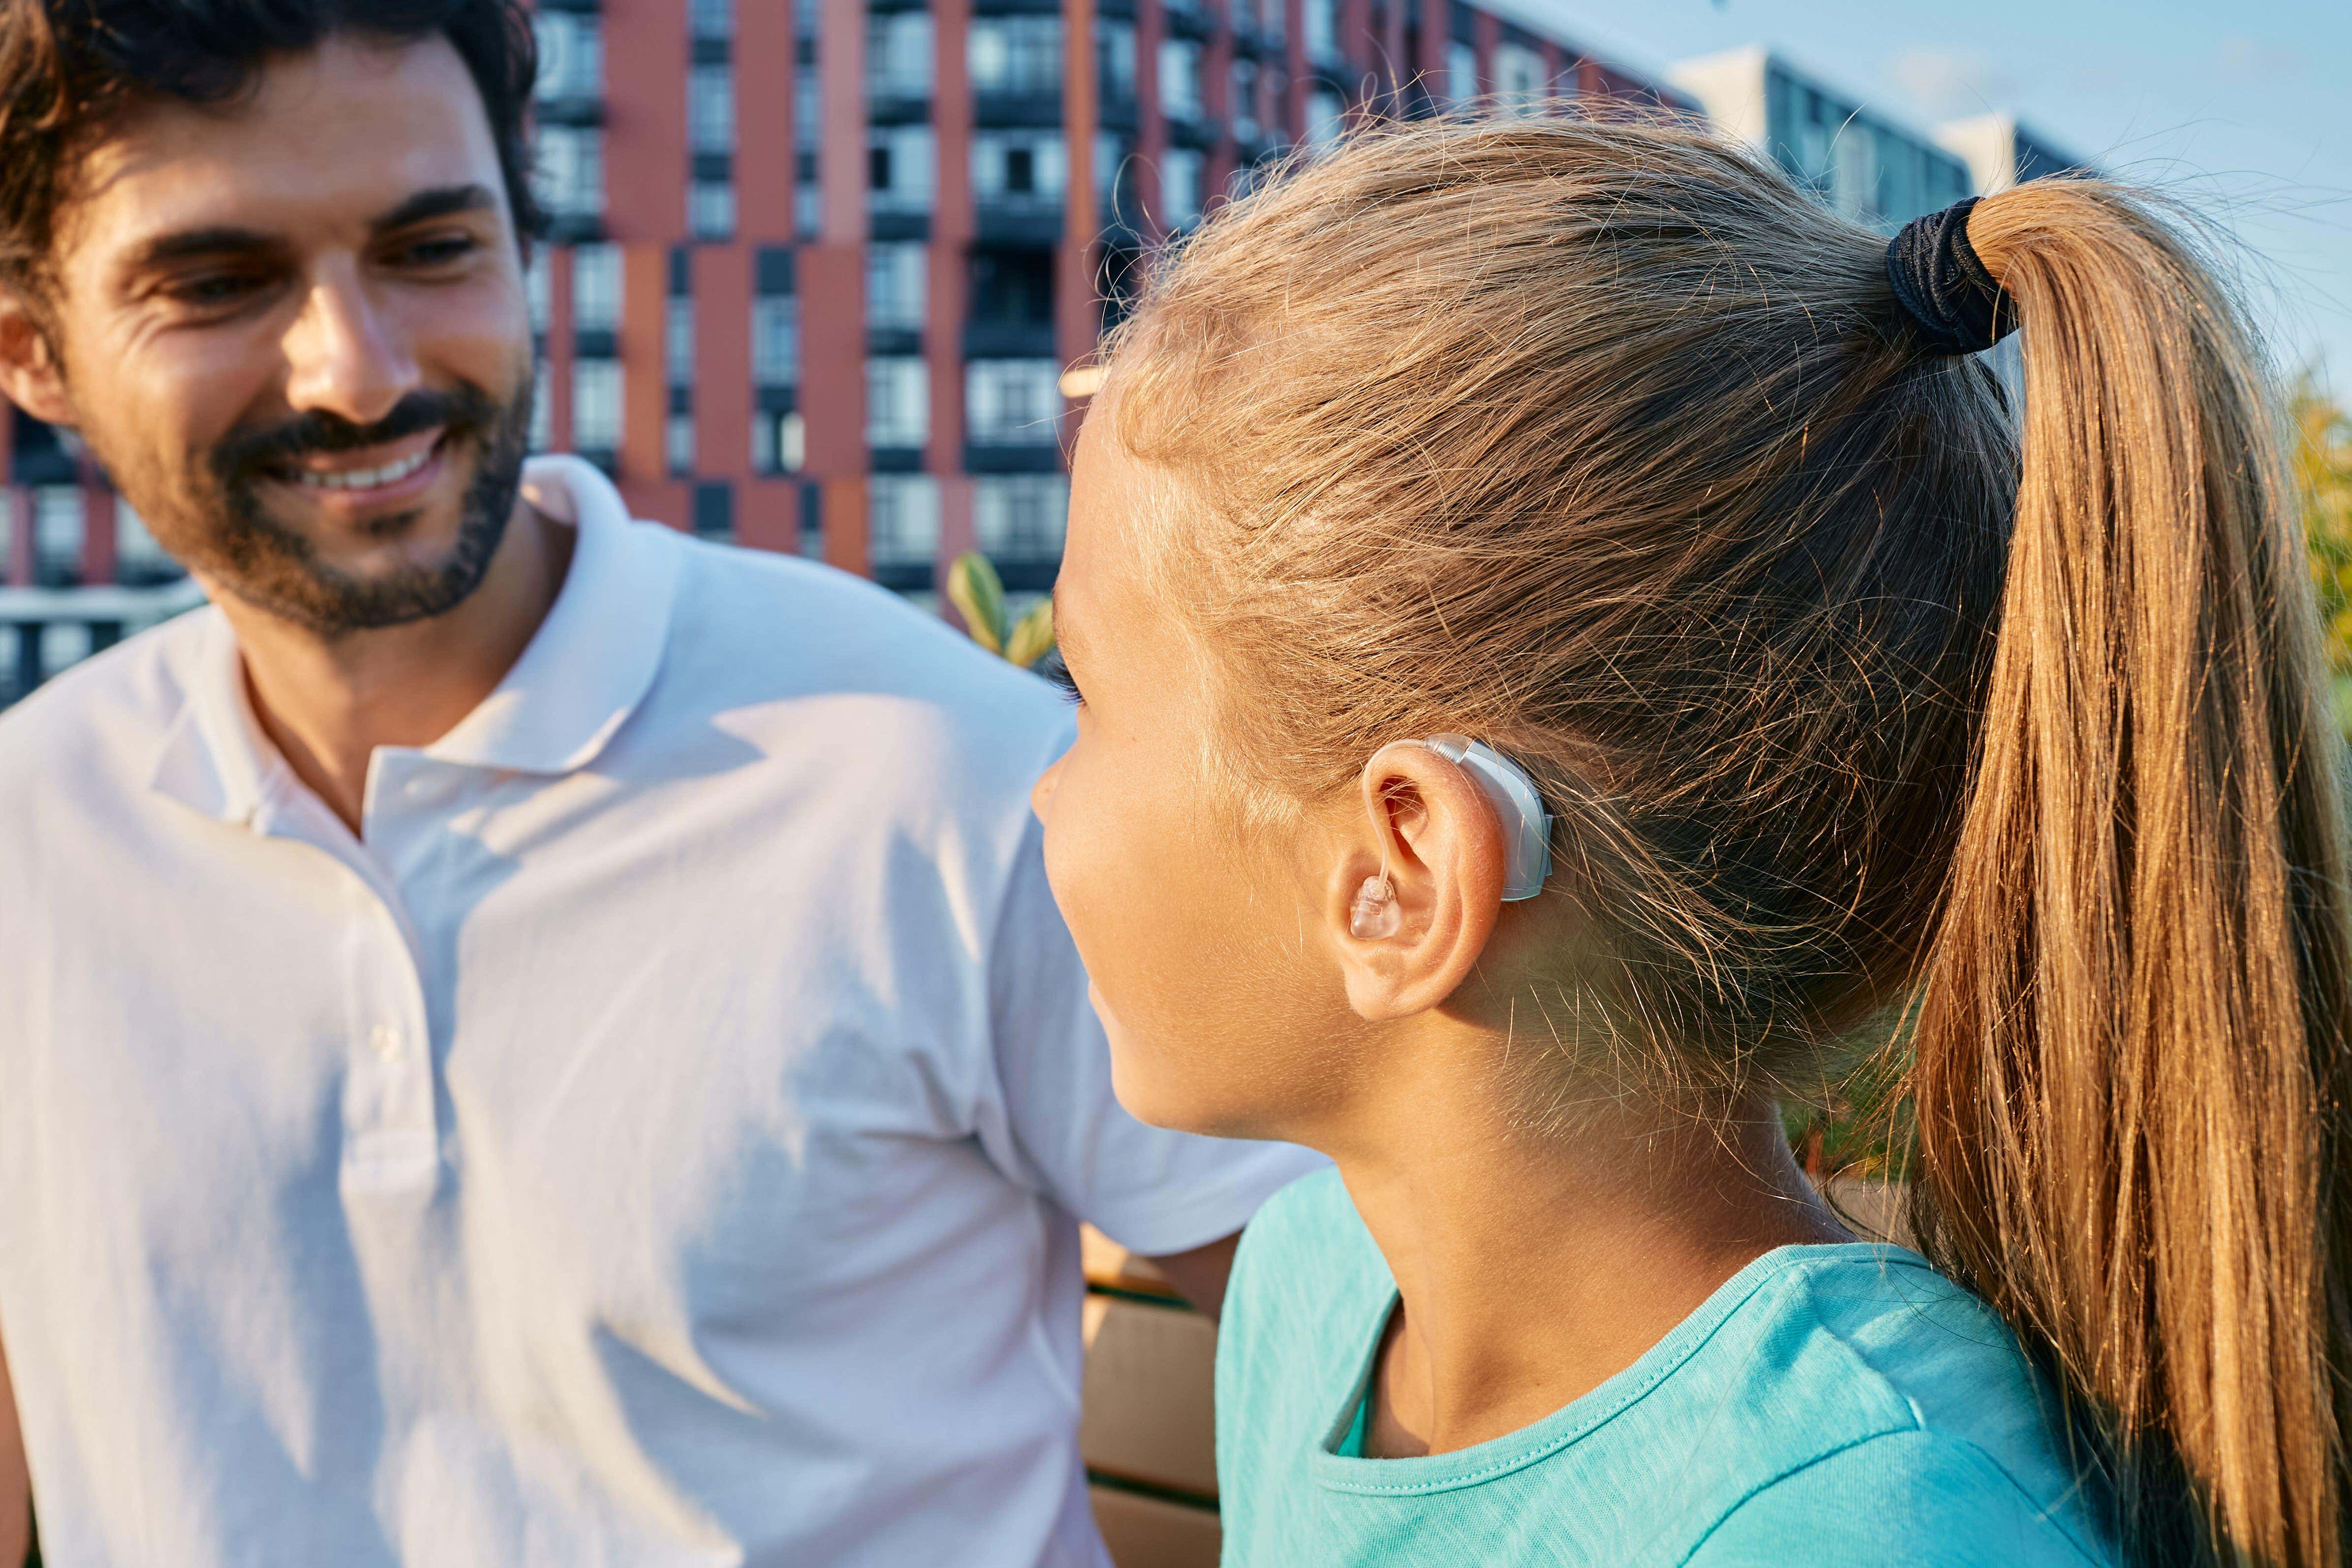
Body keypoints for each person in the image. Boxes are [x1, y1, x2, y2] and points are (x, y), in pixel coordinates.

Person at [0, 4, 1316, 1564]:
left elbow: (1408, 1370)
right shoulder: (28, 834)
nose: (357, 371)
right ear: (31, 350)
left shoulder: (938, 771)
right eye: (218, 282)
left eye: (431, 249)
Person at [1027, 117, 2351, 1568]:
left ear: (1401, 872)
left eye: (1084, 692)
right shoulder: (1310, 1289)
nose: (1041, 788)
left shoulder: (1864, 1532)